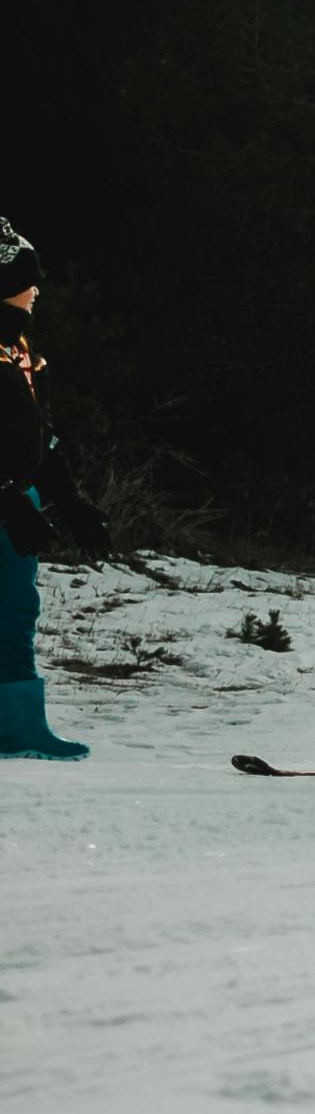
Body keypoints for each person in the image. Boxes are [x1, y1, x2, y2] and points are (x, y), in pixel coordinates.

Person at [0, 214, 110, 761]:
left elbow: (40, 438)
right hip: (5, 501)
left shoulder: (21, 350)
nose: (37, 288)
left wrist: (71, 503)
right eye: (28, 278)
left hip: (19, 501)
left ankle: (16, 727)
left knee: (15, 610)